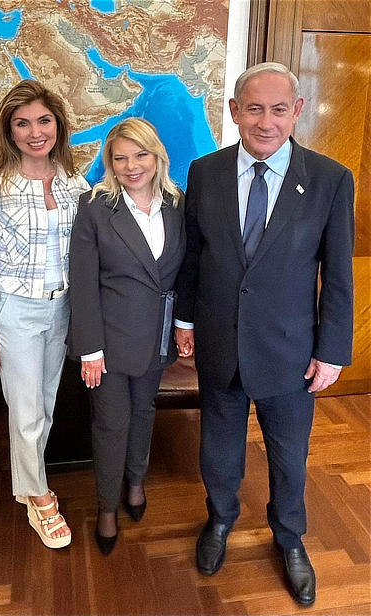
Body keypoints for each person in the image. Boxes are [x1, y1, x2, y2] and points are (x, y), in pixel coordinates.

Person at [174, 62, 354, 605]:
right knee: (218, 448)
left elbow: (337, 274)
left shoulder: (329, 179)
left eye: (278, 109)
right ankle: (220, 519)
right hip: (220, 342)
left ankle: (290, 538)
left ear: (297, 112)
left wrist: (332, 351)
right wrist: (185, 322)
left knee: (288, 455)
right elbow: (193, 257)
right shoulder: (204, 172)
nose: (266, 121)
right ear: (235, 112)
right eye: (254, 108)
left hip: (291, 351)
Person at [0, 80, 89, 549]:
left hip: (63, 308)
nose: (36, 132)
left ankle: (26, 481)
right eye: (23, 123)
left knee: (45, 404)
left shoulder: (74, 181)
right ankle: (39, 497)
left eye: (44, 120)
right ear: (9, 131)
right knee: (27, 409)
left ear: (58, 125)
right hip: (14, 310)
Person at [67, 118, 186, 555]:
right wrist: (90, 350)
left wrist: (184, 326)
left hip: (156, 339)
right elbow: (82, 283)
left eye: (140, 155)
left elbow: (183, 272)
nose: (132, 166)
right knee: (111, 422)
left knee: (143, 411)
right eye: (120, 158)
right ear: (110, 163)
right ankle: (106, 506)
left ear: (157, 157)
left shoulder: (177, 204)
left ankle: (136, 482)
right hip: (109, 344)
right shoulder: (96, 207)